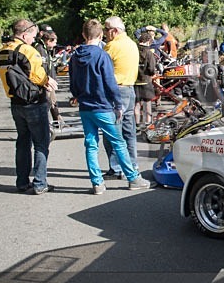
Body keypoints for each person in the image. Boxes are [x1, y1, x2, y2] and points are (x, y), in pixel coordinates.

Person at [68, 19, 151, 194]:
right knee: (119, 142)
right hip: (103, 106)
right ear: (99, 35)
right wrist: (118, 104)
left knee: (91, 144)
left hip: (85, 107)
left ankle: (97, 183)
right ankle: (133, 178)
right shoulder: (102, 55)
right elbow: (110, 82)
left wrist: (78, 95)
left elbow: (73, 82)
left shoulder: (75, 56)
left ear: (83, 35)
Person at [0, 19, 58, 195]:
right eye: (32, 36)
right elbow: (36, 73)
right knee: (41, 143)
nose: (33, 39)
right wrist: (47, 81)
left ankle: (22, 182)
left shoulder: (4, 49)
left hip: (16, 102)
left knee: (23, 142)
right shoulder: (27, 50)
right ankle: (40, 183)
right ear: (24, 34)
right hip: (34, 101)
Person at [103, 16, 139, 179]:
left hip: (114, 90)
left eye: (106, 30)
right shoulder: (132, 44)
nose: (104, 33)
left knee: (111, 130)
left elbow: (101, 69)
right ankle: (132, 165)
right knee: (128, 130)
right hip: (129, 89)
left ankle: (116, 167)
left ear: (115, 31)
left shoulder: (112, 46)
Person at [34, 26, 63, 128]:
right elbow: (42, 67)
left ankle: (58, 122)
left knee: (52, 102)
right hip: (45, 82)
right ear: (48, 41)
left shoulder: (46, 49)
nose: (55, 44)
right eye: (54, 41)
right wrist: (46, 81)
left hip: (49, 81)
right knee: (48, 103)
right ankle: (45, 124)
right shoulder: (40, 49)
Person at [134, 31, 158, 127]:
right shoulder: (149, 53)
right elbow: (151, 68)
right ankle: (148, 122)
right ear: (148, 41)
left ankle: (137, 123)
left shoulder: (133, 51)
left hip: (135, 80)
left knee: (136, 104)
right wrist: (152, 73)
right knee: (147, 103)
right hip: (146, 80)